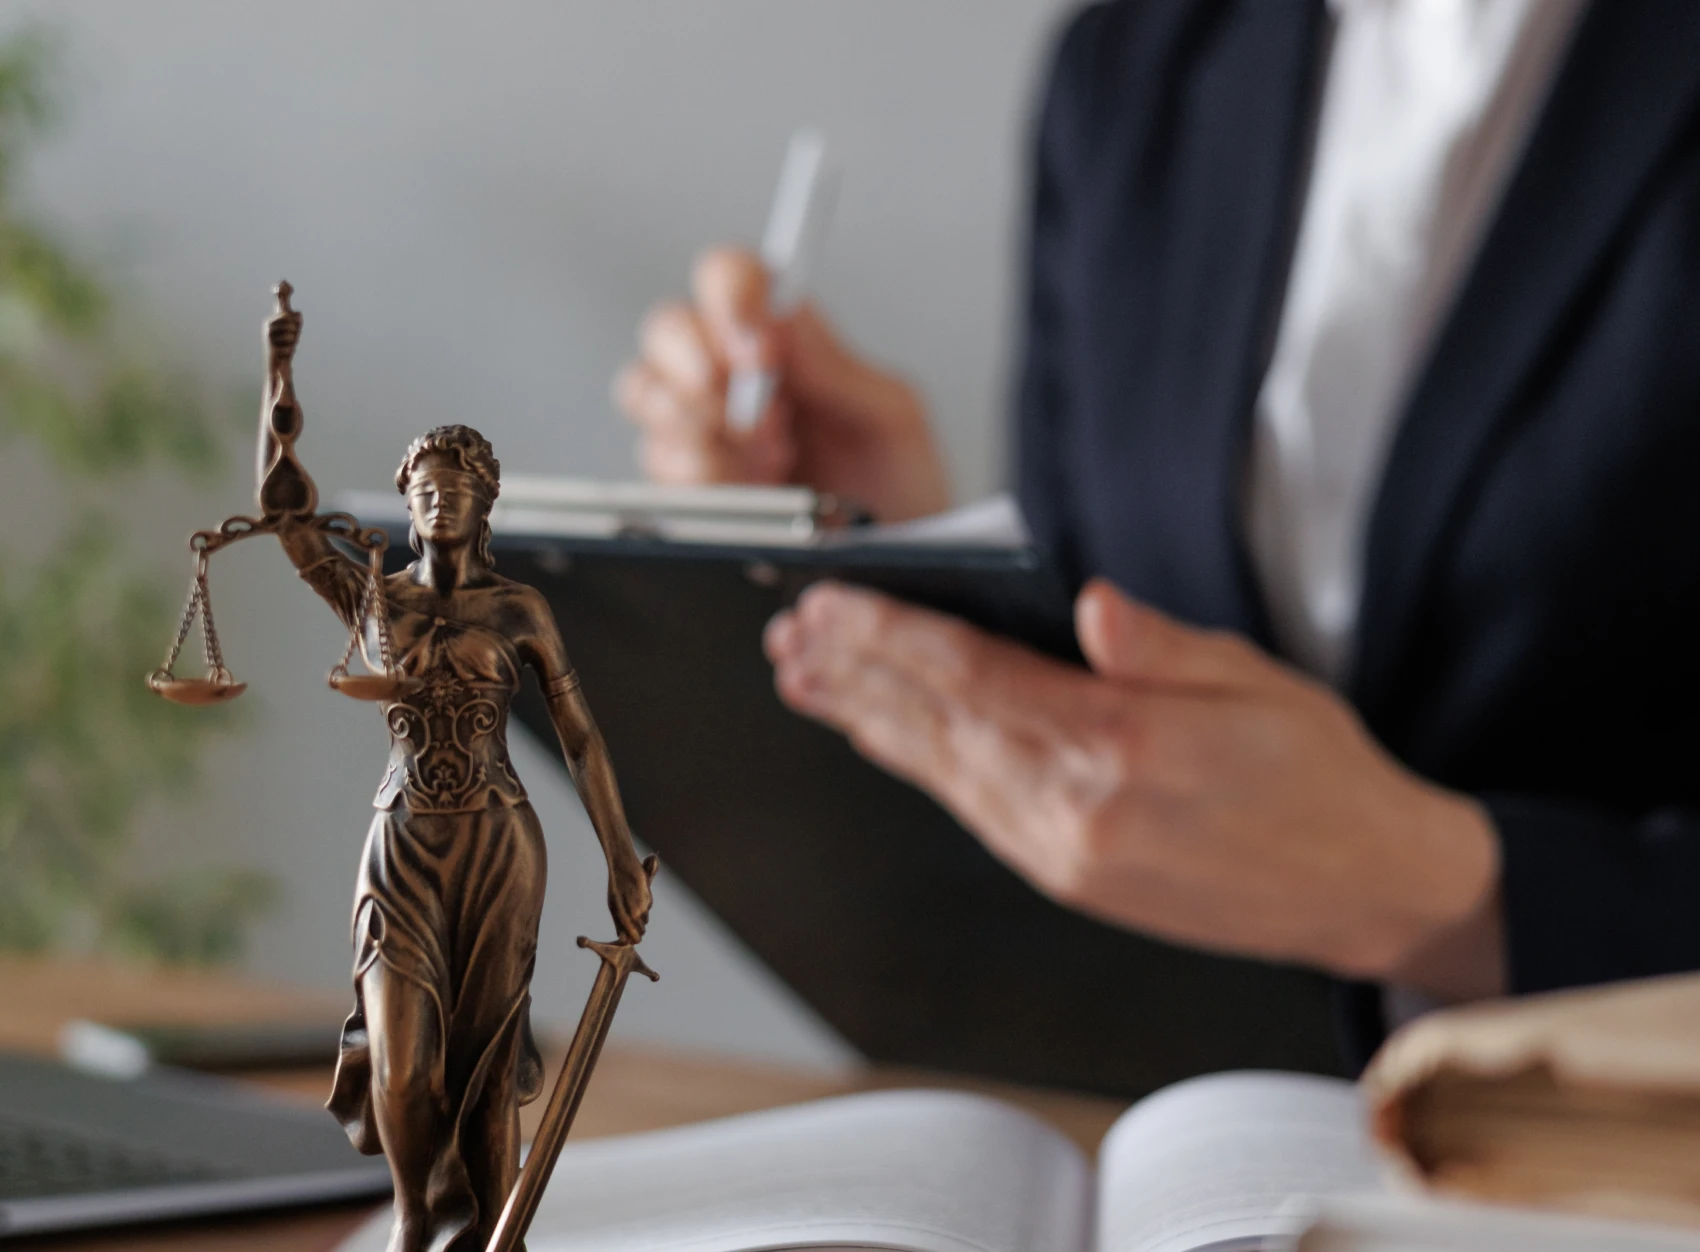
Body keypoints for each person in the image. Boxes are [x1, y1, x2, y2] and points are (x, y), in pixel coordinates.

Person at [615, 0, 1700, 1055]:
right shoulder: (1131, 66)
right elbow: (1112, 721)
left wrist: (1437, 887)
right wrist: (895, 559)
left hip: (1609, 1155)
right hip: (1191, 1153)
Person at [263, 315, 653, 1249]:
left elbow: (581, 737)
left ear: (487, 504)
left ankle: (486, 1239)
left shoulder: (519, 607)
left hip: (496, 842)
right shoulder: (373, 596)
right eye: (426, 489)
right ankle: (410, 1223)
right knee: (403, 1069)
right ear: (407, 500)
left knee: (484, 1067)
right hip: (401, 841)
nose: (440, 502)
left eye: (458, 489)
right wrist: (276, 373)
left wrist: (620, 857)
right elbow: (285, 515)